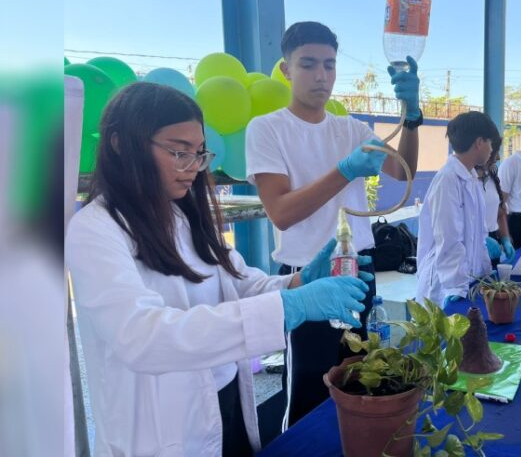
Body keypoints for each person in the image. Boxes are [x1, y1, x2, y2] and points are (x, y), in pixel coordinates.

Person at [65, 82, 369, 456]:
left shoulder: (182, 216)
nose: (193, 167)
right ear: (120, 144)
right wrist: (290, 307)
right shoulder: (95, 229)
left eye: (199, 154)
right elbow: (141, 337)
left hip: (224, 405)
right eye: (179, 152)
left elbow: (238, 284)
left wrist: (297, 282)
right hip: (164, 432)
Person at [245, 21, 421, 427]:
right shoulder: (268, 129)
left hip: (358, 271)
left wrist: (412, 117)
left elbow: (402, 171)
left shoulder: (351, 129)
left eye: (329, 64)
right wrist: (344, 171)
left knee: (362, 379)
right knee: (308, 389)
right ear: (286, 69)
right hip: (307, 276)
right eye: (308, 64)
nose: (321, 75)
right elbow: (281, 212)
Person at [416, 111, 499, 308]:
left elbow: (479, 235)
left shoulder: (471, 178)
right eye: (490, 143)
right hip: (444, 284)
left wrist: (485, 274)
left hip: (467, 279)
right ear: (479, 142)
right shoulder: (448, 180)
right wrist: (455, 286)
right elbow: (449, 239)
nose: (492, 150)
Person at [476, 145, 515, 267]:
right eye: (495, 153)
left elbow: (500, 212)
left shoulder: (491, 177)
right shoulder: (464, 180)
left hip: (492, 242)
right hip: (471, 246)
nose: (498, 158)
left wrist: (506, 239)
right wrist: (480, 240)